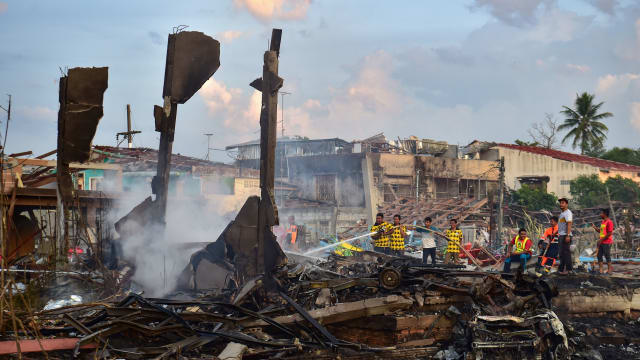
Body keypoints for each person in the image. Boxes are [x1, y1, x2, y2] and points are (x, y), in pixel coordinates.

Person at [592, 208, 614, 274]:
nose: (600, 214)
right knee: (599, 255)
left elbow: (610, 233)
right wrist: (595, 228)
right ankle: (600, 270)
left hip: (607, 242)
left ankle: (609, 269)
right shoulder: (603, 222)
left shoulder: (609, 222)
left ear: (604, 214)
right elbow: (601, 231)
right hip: (601, 242)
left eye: (601, 213)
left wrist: (601, 240)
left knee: (607, 255)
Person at [557, 198, 574, 275]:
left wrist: (568, 235)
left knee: (566, 253)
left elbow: (569, 224)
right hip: (561, 235)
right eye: (560, 203)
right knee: (562, 253)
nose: (561, 204)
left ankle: (569, 269)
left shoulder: (568, 213)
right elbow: (561, 226)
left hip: (565, 235)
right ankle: (561, 269)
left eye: (563, 203)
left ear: (566, 204)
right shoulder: (562, 214)